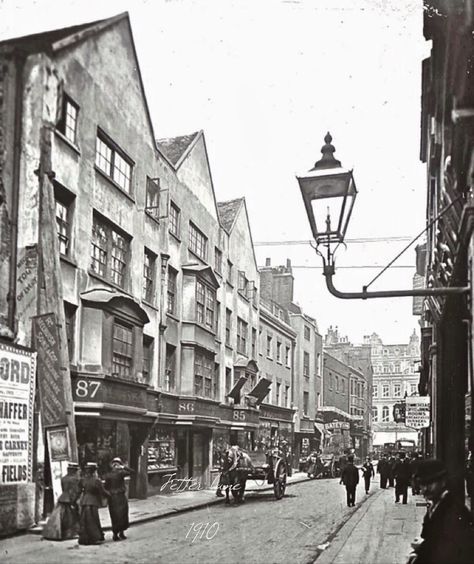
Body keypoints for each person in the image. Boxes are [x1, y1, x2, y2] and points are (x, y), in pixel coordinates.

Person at [407, 459, 474, 564]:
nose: (425, 489)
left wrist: (421, 549)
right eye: (422, 484)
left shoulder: (453, 511)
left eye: (430, 483)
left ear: (443, 482)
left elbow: (449, 553)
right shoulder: (436, 505)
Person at [42, 462, 81, 540]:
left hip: (63, 498)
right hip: (70, 499)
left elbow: (64, 489)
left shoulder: (64, 478)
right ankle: (71, 533)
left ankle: (58, 533)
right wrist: (74, 500)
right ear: (74, 470)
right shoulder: (76, 479)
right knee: (71, 517)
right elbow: (76, 491)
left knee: (60, 517)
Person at [78, 462, 110, 545]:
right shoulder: (96, 481)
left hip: (84, 502)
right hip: (93, 502)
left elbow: (79, 490)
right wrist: (110, 495)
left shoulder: (83, 480)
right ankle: (95, 537)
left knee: (85, 520)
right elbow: (102, 491)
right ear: (94, 471)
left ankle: (85, 538)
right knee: (94, 520)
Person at [103, 457, 133, 541]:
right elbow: (132, 472)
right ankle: (120, 533)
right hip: (119, 496)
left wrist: (108, 495)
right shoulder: (121, 473)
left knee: (115, 515)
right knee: (122, 515)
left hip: (113, 498)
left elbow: (105, 487)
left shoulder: (109, 475)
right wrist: (123, 467)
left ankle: (116, 534)